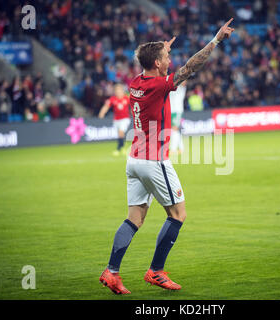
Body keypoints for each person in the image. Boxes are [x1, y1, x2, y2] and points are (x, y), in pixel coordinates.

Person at [99, 18, 235, 294]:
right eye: (166, 57)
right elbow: (191, 67)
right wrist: (216, 39)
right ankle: (156, 271)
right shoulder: (158, 86)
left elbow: (151, 61)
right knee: (178, 214)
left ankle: (112, 272)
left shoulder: (136, 82)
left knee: (134, 218)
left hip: (134, 160)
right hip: (153, 160)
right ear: (158, 64)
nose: (170, 60)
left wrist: (159, 49)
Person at [98, 83, 131, 156]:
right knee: (120, 134)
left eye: (119, 90)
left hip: (125, 119)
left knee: (120, 132)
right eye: (117, 91)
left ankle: (119, 149)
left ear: (122, 91)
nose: (118, 92)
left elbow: (133, 105)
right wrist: (102, 113)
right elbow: (106, 106)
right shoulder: (113, 99)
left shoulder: (127, 98)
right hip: (116, 120)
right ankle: (122, 146)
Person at [169, 80, 187, 154]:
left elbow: (184, 82)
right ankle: (181, 148)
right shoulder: (170, 88)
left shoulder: (181, 88)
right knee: (174, 129)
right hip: (171, 110)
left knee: (175, 129)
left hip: (177, 110)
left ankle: (173, 149)